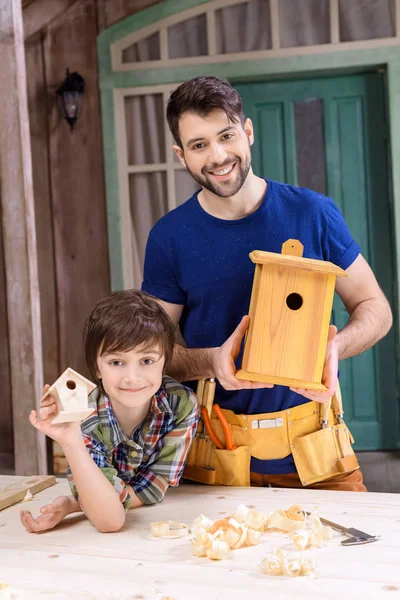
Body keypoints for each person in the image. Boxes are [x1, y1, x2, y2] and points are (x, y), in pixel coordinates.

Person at [141, 76, 393, 492]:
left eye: (226, 135)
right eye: (199, 144)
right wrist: (212, 362)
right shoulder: (169, 238)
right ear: (180, 155)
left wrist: (333, 349)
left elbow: (375, 309)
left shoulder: (313, 212)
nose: (218, 155)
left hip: (319, 455)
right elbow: (153, 354)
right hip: (214, 454)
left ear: (249, 131)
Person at [20, 290, 199, 533]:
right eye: (117, 362)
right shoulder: (83, 418)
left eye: (147, 361)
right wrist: (71, 441)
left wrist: (79, 504)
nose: (132, 378)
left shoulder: (181, 404)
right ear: (97, 367)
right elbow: (111, 522)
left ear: (164, 362)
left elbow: (153, 488)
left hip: (130, 499)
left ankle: (82, 501)